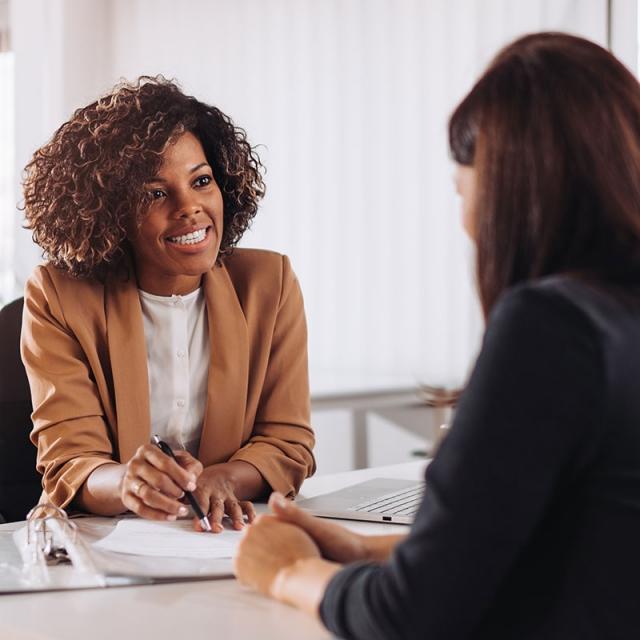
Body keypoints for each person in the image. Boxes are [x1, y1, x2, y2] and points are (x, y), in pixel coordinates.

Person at [234, 32, 640, 638]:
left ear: (508, 187)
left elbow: (413, 617)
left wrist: (290, 572)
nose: (465, 220)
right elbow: (581, 545)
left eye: (462, 188)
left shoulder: (552, 329)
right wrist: (369, 551)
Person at [20, 77, 315, 533]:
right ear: (111, 212)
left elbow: (287, 442)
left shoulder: (268, 284)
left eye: (201, 181)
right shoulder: (58, 295)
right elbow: (71, 461)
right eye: (155, 193)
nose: (190, 207)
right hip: (100, 545)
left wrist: (223, 479)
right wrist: (127, 484)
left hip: (223, 538)